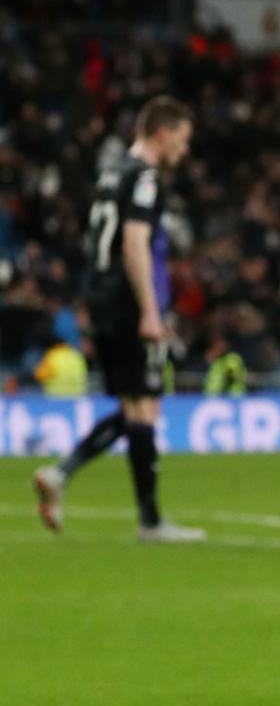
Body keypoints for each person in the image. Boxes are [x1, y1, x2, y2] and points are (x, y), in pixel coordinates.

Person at [31, 96, 204, 542]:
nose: (184, 151)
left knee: (135, 405)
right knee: (143, 405)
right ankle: (150, 522)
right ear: (162, 132)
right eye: (182, 140)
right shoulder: (145, 177)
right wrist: (149, 310)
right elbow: (133, 243)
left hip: (103, 299)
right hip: (129, 303)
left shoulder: (111, 172)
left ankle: (63, 474)